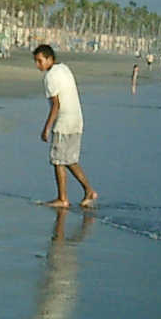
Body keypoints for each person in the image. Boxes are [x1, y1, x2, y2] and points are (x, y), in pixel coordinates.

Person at [33, 43, 97, 210]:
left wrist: (46, 128)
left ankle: (63, 198)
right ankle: (89, 191)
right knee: (69, 160)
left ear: (50, 59)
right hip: (77, 119)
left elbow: (56, 105)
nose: (37, 65)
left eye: (40, 61)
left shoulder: (50, 77)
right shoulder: (64, 68)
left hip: (64, 122)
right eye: (36, 61)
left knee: (58, 160)